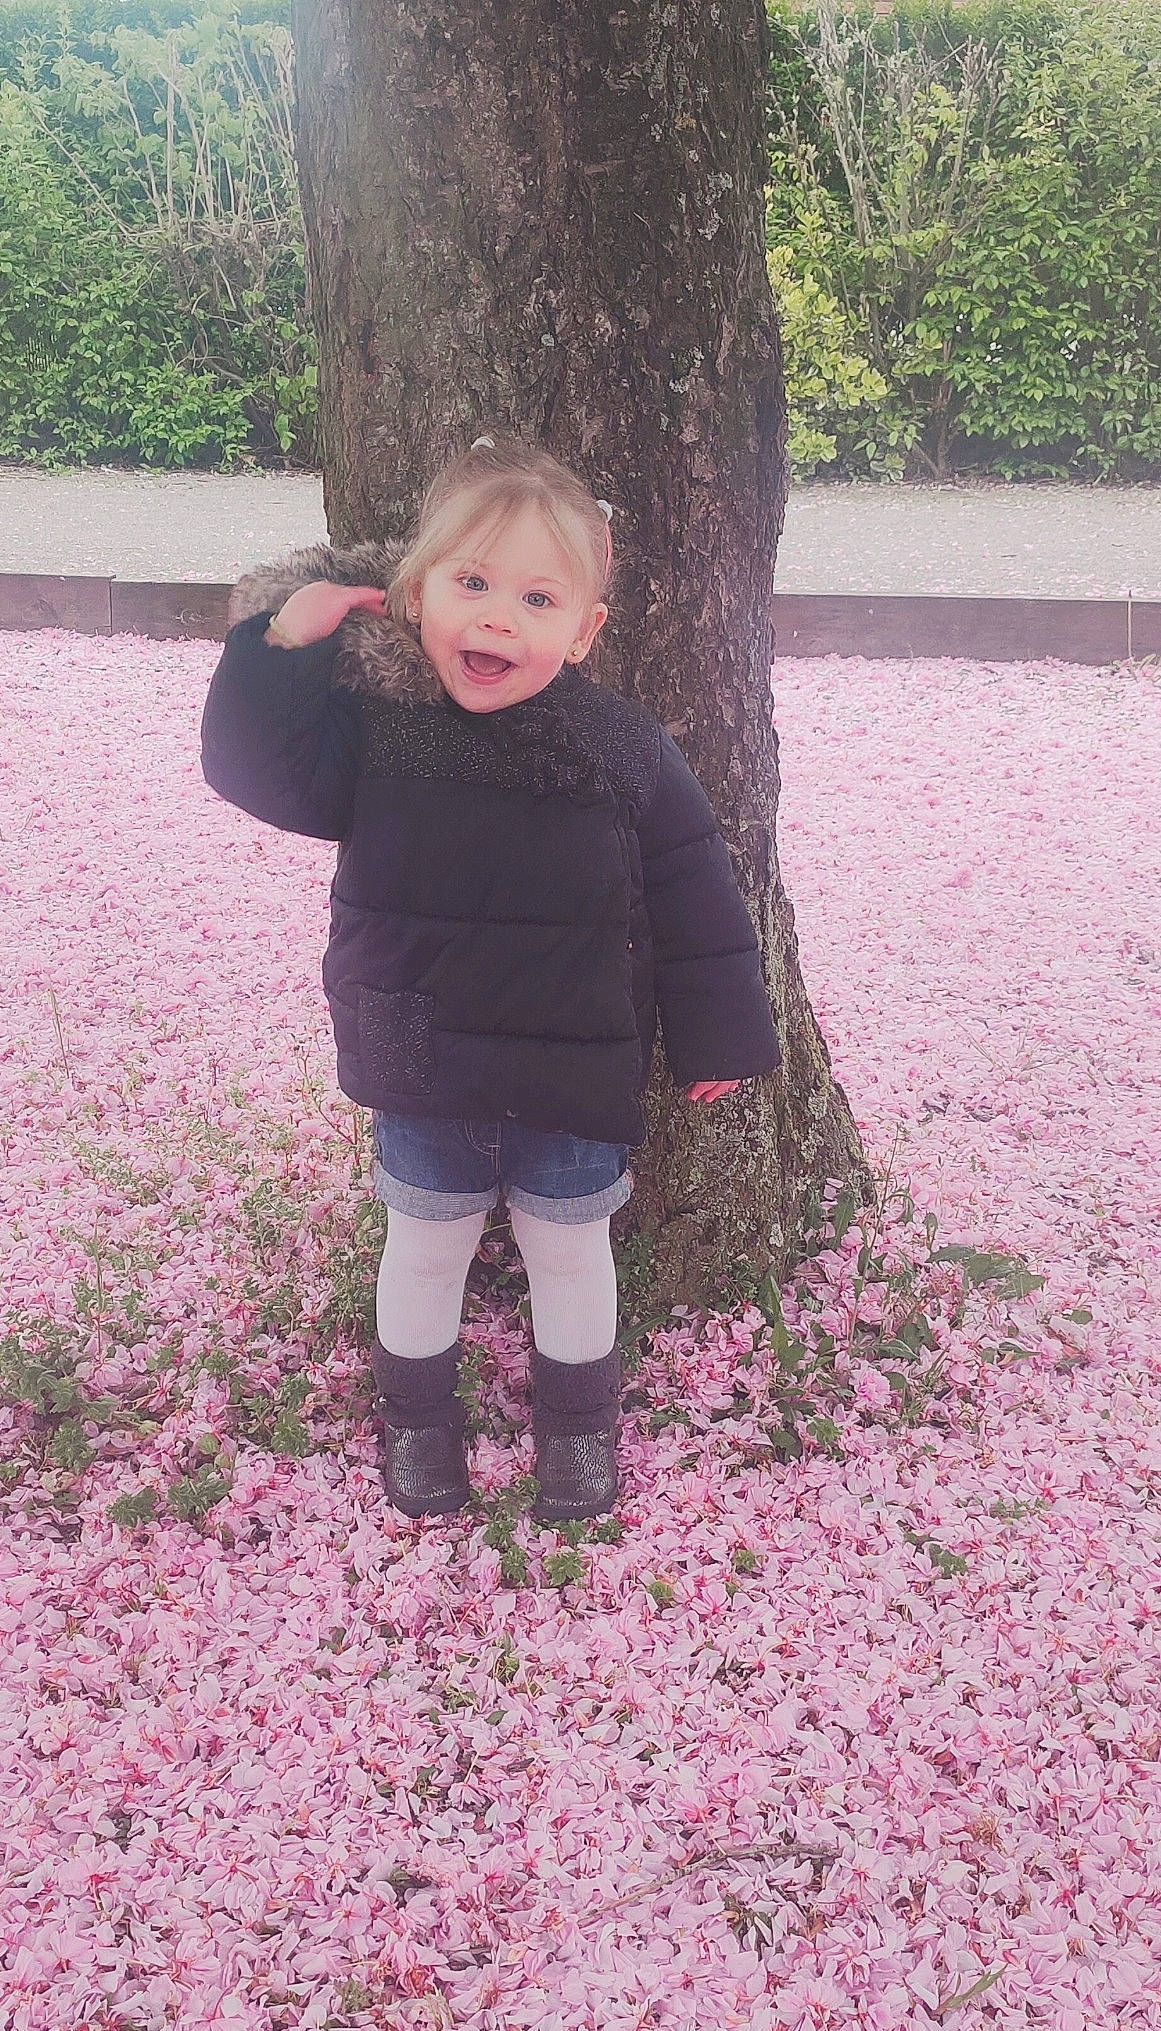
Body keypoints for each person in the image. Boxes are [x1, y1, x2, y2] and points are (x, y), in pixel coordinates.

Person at [201, 433, 781, 1523]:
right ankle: (417, 1425)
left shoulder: (623, 749)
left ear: (584, 628)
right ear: (416, 595)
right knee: (424, 1250)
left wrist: (722, 1036)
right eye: (469, 584)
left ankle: (577, 1434)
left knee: (570, 1256)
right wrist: (281, 642)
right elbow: (255, 771)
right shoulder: (378, 735)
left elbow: (696, 895)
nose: (497, 617)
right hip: (421, 1054)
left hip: (575, 1061)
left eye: (534, 596)